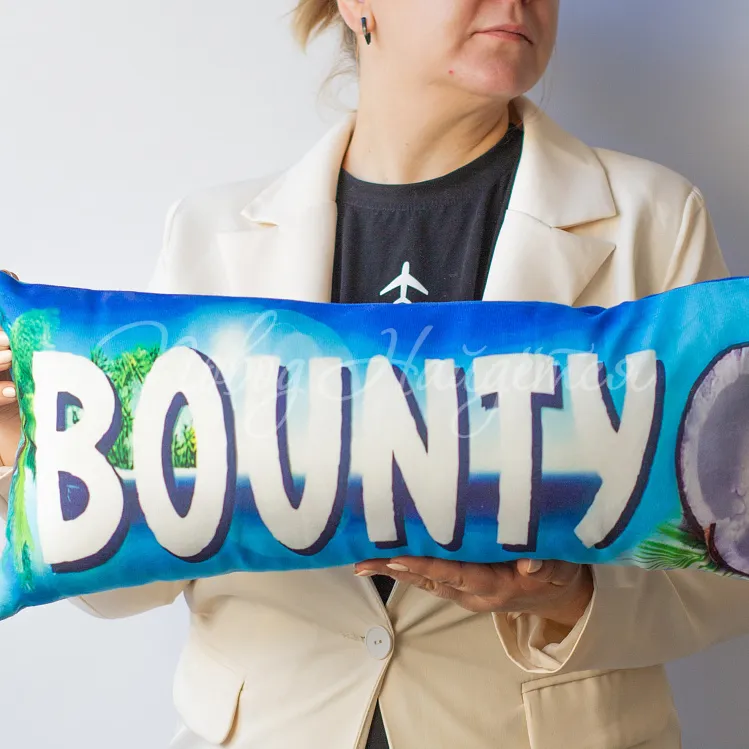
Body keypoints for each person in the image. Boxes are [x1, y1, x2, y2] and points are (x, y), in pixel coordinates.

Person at [1, 1, 749, 747]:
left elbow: (727, 563)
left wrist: (566, 596)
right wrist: (31, 454)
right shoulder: (212, 232)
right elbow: (134, 576)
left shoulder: (652, 217)